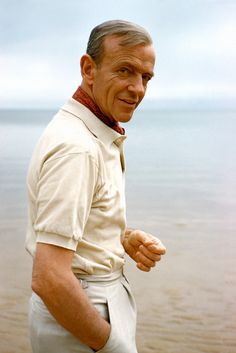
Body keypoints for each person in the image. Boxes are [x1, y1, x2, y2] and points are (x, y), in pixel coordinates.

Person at [25, 19, 166, 353]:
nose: (138, 89)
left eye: (145, 77)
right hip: (80, 313)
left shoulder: (90, 133)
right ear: (89, 69)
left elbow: (69, 229)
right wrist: (111, 345)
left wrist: (121, 237)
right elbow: (49, 277)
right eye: (125, 71)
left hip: (86, 305)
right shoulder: (78, 148)